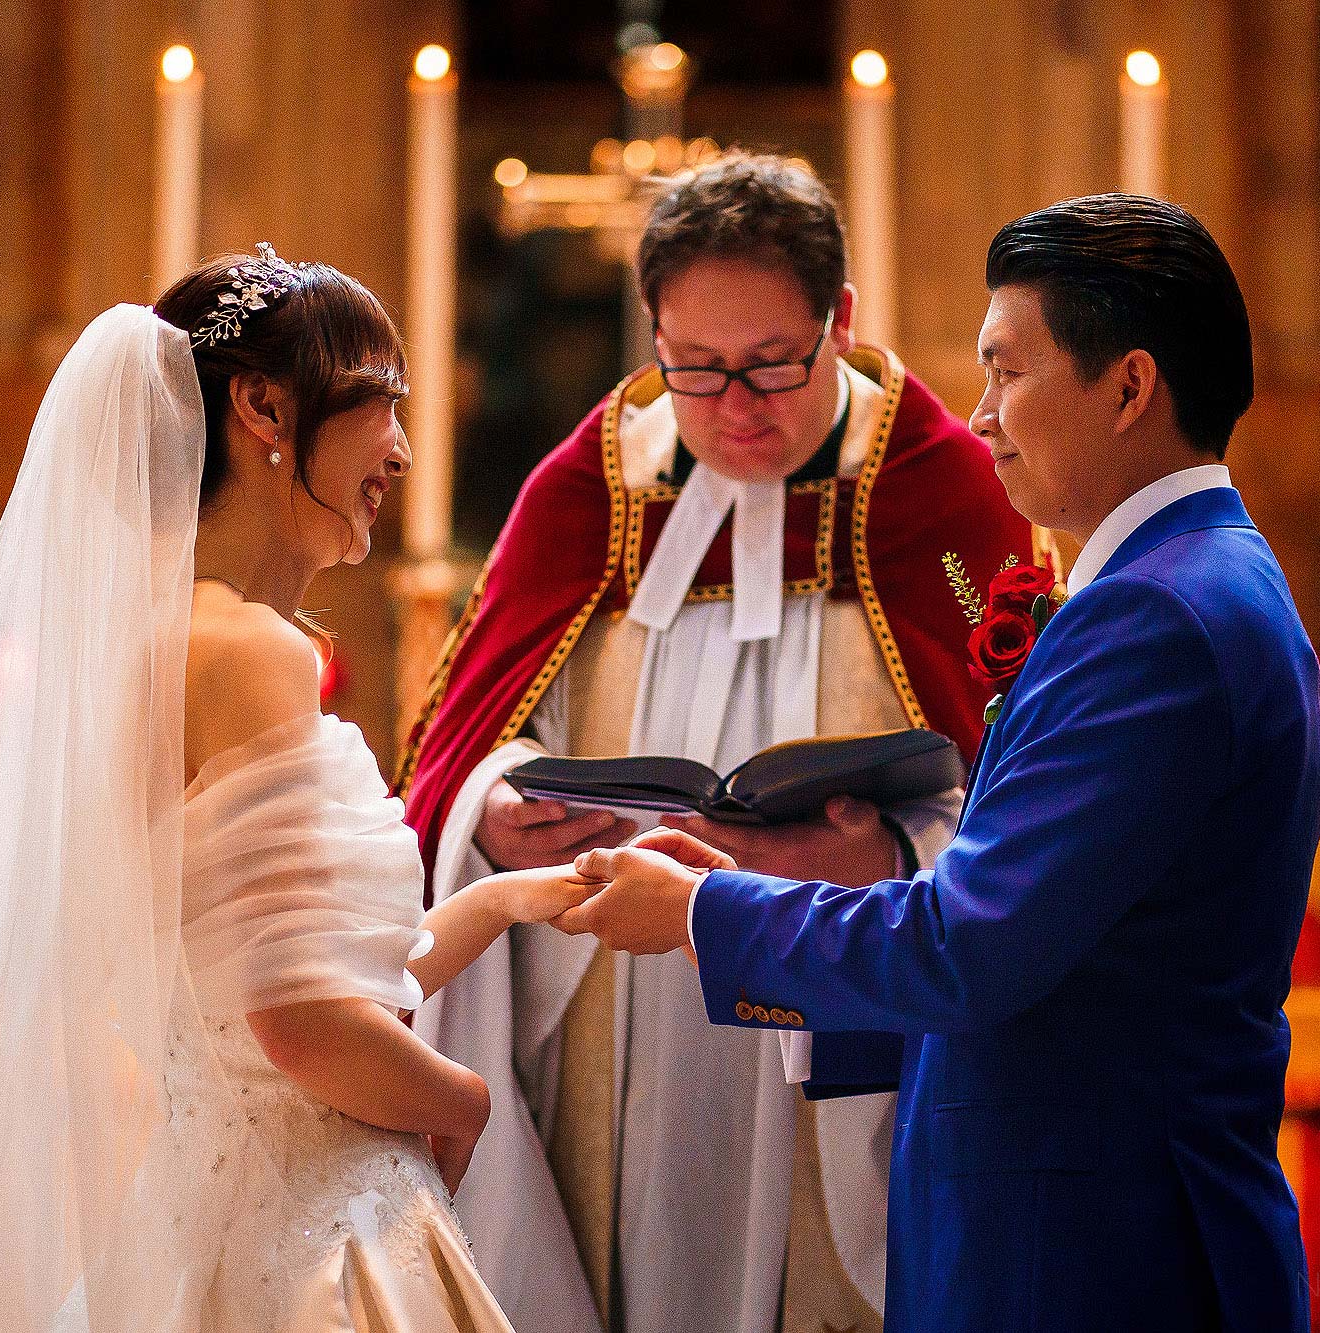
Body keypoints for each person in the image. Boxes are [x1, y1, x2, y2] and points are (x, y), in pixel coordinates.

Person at [558, 195, 1320, 1333]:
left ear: (1127, 386)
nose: (977, 417)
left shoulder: (1156, 617)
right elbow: (1070, 957)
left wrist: (704, 911)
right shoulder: (1190, 583)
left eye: (1004, 372)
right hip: (1077, 1221)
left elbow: (969, 945)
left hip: (1088, 1256)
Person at [0, 247, 595, 1333]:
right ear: (263, 404)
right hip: (311, 1238)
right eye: (381, 403)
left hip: (202, 1214)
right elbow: (300, 1028)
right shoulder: (245, 653)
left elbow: (291, 983)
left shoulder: (152, 645)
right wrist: (463, 1100)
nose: (399, 450)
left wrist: (510, 896)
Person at [398, 153, 1032, 1333]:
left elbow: (1027, 782)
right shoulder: (588, 490)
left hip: (834, 994)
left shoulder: (937, 500)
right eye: (692, 369)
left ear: (839, 321)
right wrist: (492, 807)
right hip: (609, 1005)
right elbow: (466, 741)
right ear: (651, 334)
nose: (734, 407)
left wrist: (893, 851)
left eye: (772, 367)